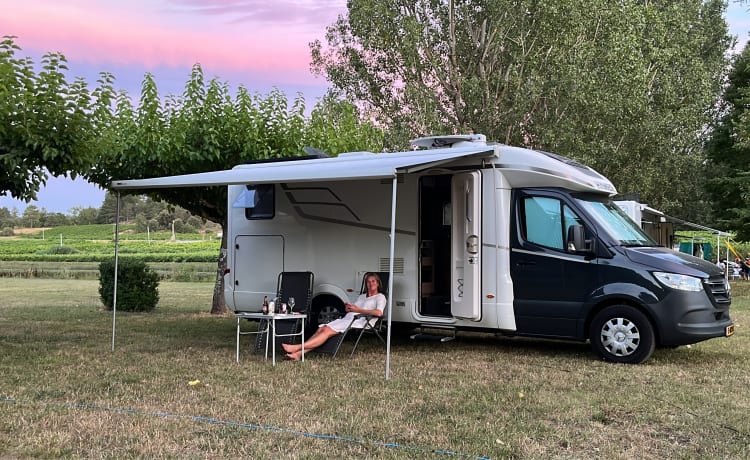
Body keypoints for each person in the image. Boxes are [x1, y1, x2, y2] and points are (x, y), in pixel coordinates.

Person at [282, 272, 386, 360]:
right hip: (349, 318)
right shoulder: (362, 296)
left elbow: (379, 313)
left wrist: (358, 310)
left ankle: (297, 348)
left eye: (373, 281)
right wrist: (348, 309)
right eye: (368, 281)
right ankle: (298, 354)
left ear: (377, 283)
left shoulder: (380, 297)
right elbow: (355, 309)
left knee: (326, 330)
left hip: (360, 321)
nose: (370, 284)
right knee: (322, 328)